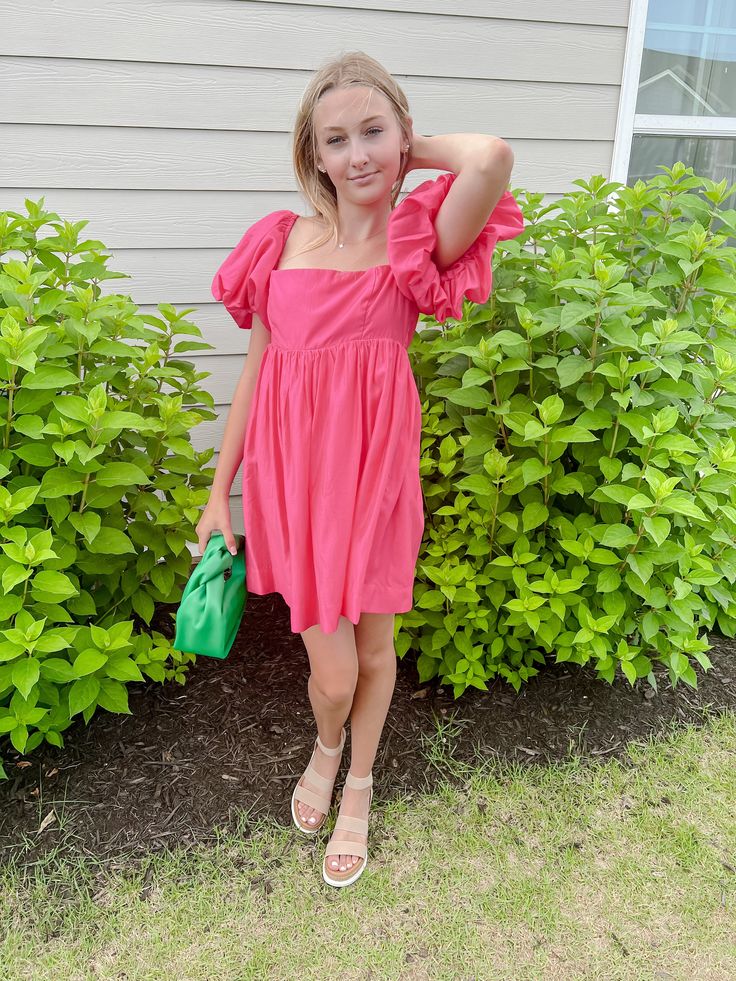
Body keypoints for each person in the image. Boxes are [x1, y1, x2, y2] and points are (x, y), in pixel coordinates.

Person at [196, 51, 524, 888]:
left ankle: (359, 791)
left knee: (374, 653)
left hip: (374, 479)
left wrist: (404, 156)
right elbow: (255, 376)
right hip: (293, 484)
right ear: (312, 155)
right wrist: (217, 491)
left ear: (403, 135)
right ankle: (328, 742)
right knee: (332, 673)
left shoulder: (419, 238)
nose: (357, 154)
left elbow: (489, 157)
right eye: (335, 139)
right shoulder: (281, 240)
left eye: (372, 132)